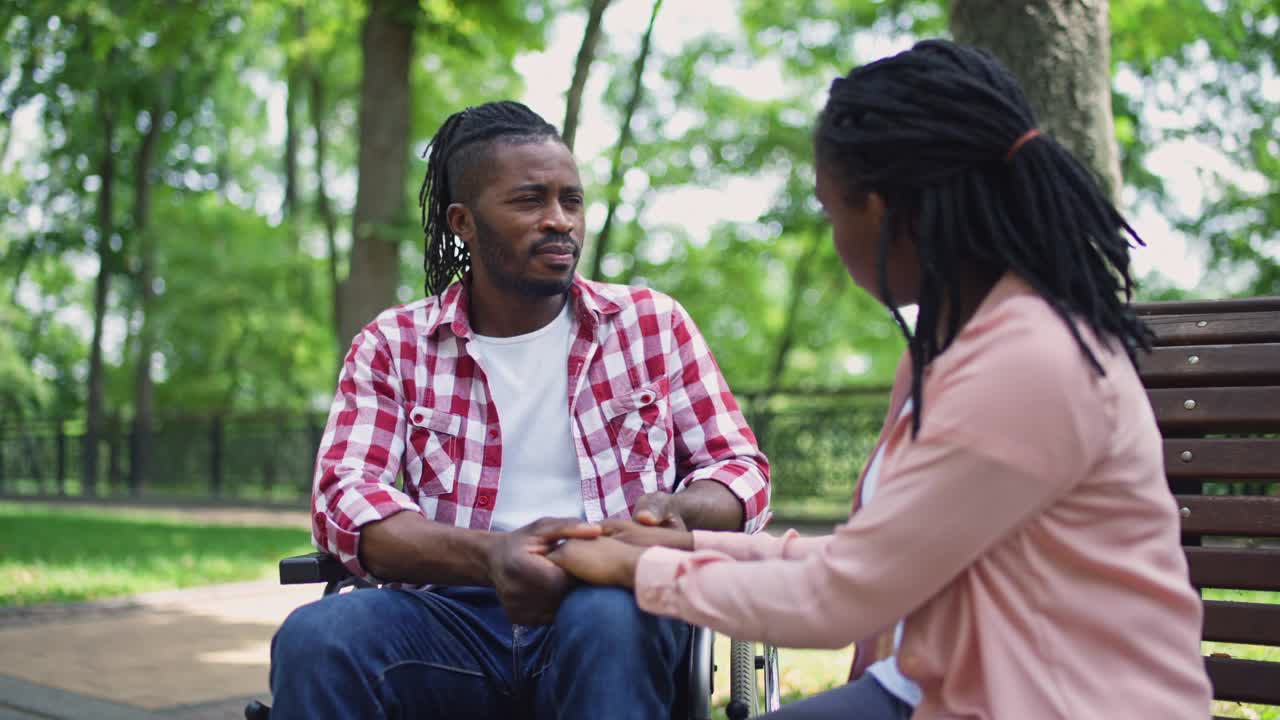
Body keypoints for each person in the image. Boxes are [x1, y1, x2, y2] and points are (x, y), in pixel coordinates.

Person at [549, 40, 1213, 720]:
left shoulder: (1029, 362)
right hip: (966, 690)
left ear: (882, 210)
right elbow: (876, 555)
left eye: (831, 209)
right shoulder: (953, 348)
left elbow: (840, 599)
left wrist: (641, 569)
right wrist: (689, 543)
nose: (834, 237)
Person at [267, 100, 770, 720]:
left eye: (571, 200)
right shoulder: (393, 344)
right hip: (447, 614)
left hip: (608, 599)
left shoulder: (651, 325)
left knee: (608, 616)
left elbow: (740, 471)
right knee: (318, 638)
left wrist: (673, 511)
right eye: (530, 201)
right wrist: (488, 557)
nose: (559, 221)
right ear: (464, 222)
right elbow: (345, 499)